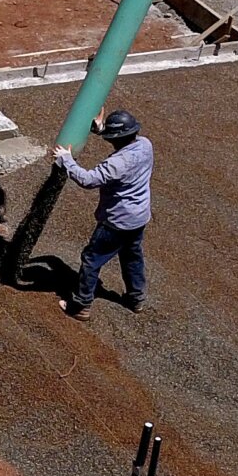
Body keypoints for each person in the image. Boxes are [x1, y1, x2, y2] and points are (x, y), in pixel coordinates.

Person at [54, 109, 152, 320]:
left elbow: (88, 180)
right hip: (139, 217)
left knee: (91, 259)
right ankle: (136, 299)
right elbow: (122, 139)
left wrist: (67, 160)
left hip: (116, 222)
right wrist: (101, 130)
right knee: (132, 256)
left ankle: (81, 305)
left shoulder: (117, 163)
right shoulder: (145, 144)